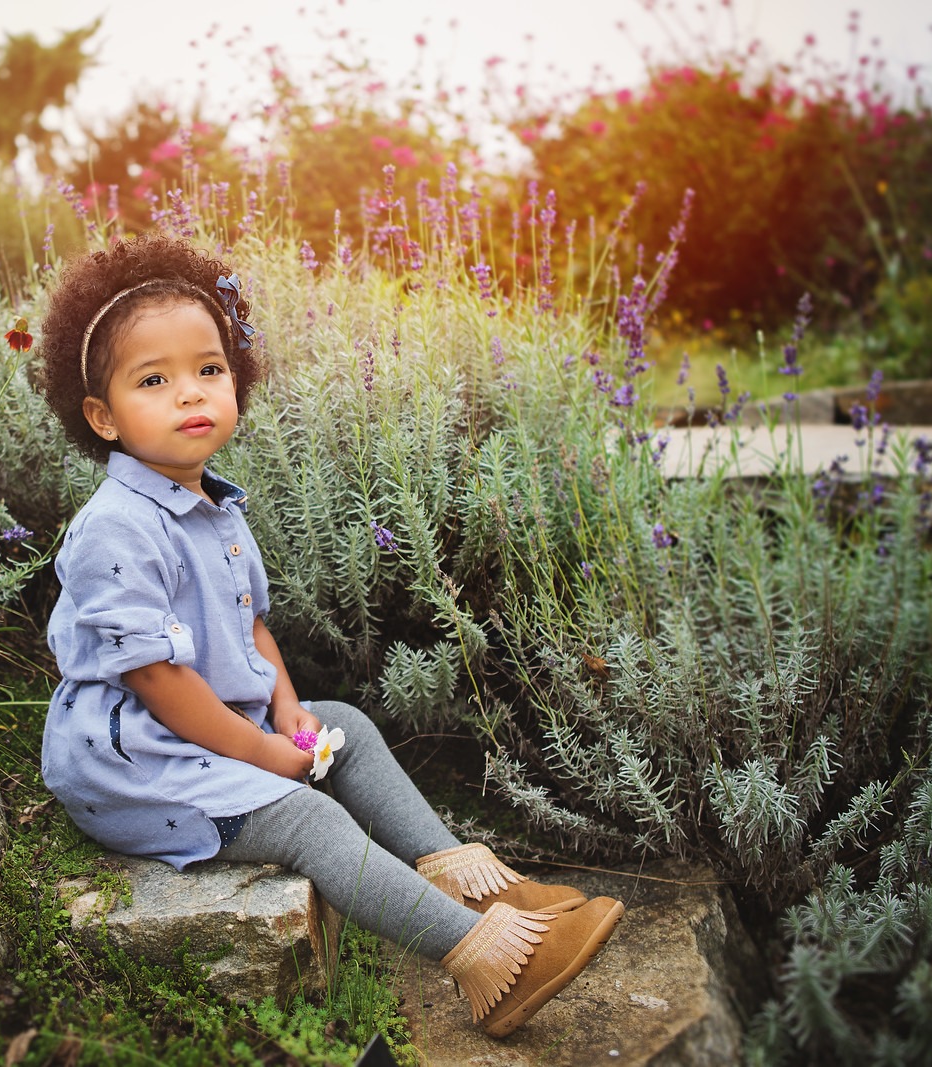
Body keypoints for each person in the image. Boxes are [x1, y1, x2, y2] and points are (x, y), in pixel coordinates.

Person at [30, 232, 623, 1037]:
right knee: (311, 821)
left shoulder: (216, 508)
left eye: (209, 369)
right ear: (101, 416)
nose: (190, 393)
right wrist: (266, 754)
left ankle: (484, 889)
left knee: (345, 724)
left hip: (208, 729)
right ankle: (488, 961)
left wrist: (287, 712)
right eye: (154, 380)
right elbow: (157, 682)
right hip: (139, 763)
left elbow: (251, 627)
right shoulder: (116, 530)